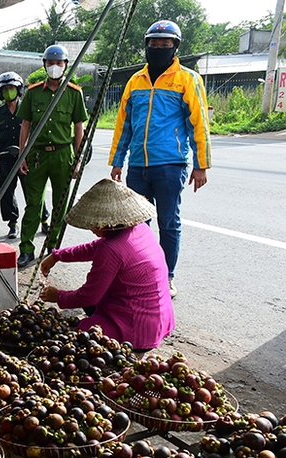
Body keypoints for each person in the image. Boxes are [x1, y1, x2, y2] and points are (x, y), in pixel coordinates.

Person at [109, 20, 211, 299]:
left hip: (170, 165)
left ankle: (166, 276)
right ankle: (139, 271)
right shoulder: (135, 81)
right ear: (147, 46)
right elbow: (124, 125)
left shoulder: (187, 79)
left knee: (168, 222)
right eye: (154, 44)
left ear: (175, 47)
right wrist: (117, 161)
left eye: (165, 44)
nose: (158, 48)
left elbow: (198, 124)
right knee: (135, 225)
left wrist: (201, 165)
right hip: (138, 167)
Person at [39, 178, 175, 354]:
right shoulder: (139, 228)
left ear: (108, 223)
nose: (91, 228)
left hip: (137, 328)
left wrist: (57, 296)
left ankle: (133, 352)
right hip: (159, 319)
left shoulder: (111, 249)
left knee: (74, 340)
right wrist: (58, 256)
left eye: (95, 224)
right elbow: (94, 247)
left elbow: (88, 296)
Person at [16, 44, 88, 269]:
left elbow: (78, 128)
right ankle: (26, 249)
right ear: (44, 65)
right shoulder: (33, 92)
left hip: (63, 155)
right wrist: (22, 154)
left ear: (66, 65)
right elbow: (25, 125)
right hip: (37, 154)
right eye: (50, 63)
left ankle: (52, 249)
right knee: (33, 205)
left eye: (59, 63)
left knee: (60, 204)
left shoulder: (74, 94)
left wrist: (78, 159)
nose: (54, 67)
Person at [0, 71, 27, 239]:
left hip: (25, 159)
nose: (8, 92)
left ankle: (43, 220)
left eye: (11, 88)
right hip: (5, 159)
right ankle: (13, 223)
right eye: (5, 89)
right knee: (6, 193)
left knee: (33, 192)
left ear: (18, 89)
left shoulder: (27, 109)